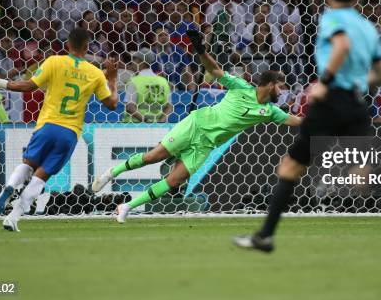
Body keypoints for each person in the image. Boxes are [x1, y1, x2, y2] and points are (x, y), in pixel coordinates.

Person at [234, 0, 381, 252]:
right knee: (360, 175)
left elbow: (342, 45)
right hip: (356, 104)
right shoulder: (368, 27)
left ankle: (265, 236)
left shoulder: (331, 18)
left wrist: (325, 83)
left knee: (290, 167)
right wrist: (356, 82)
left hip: (329, 101)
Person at [91, 30, 302, 223]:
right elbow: (215, 69)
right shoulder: (241, 86)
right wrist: (200, 50)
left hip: (206, 144)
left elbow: (297, 122)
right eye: (281, 87)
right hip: (196, 124)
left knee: (175, 180)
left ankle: (126, 207)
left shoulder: (272, 111)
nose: (282, 92)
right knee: (153, 157)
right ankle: (112, 172)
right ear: (270, 84)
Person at [0, 27, 119, 231]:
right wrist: (113, 79)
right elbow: (112, 104)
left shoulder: (54, 61)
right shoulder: (95, 73)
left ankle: (9, 188)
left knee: (27, 165)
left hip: (47, 125)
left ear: (68, 45)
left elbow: (29, 86)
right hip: (69, 132)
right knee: (40, 177)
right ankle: (12, 218)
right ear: (87, 47)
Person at [123, 51, 173, 123]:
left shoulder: (134, 81)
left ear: (140, 61)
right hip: (157, 126)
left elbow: (130, 107)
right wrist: (160, 123)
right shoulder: (163, 81)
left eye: (134, 59)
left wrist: (146, 122)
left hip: (134, 126)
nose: (131, 63)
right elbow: (169, 107)